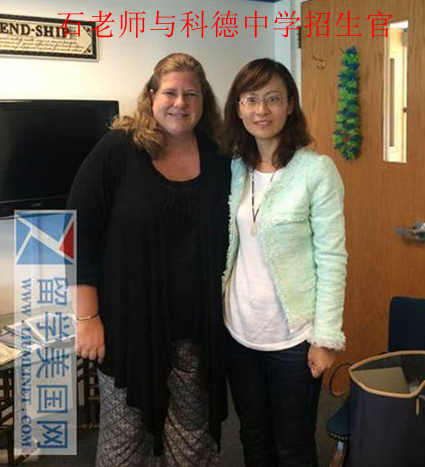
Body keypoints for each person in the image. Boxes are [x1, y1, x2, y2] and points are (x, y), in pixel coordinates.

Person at [67, 53, 230, 467]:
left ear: (204, 100)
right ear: (152, 95)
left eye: (191, 93)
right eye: (170, 92)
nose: (180, 103)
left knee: (191, 443)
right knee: (125, 444)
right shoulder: (118, 150)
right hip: (128, 329)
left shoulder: (218, 156)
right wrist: (87, 318)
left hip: (197, 331)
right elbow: (78, 231)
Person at [221, 58, 347, 467]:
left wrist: (325, 337)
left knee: (293, 446)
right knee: (253, 437)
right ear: (238, 107)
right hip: (239, 330)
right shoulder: (235, 167)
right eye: (251, 99)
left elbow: (332, 257)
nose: (262, 110)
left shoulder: (316, 171)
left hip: (293, 337)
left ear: (290, 104)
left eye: (273, 99)